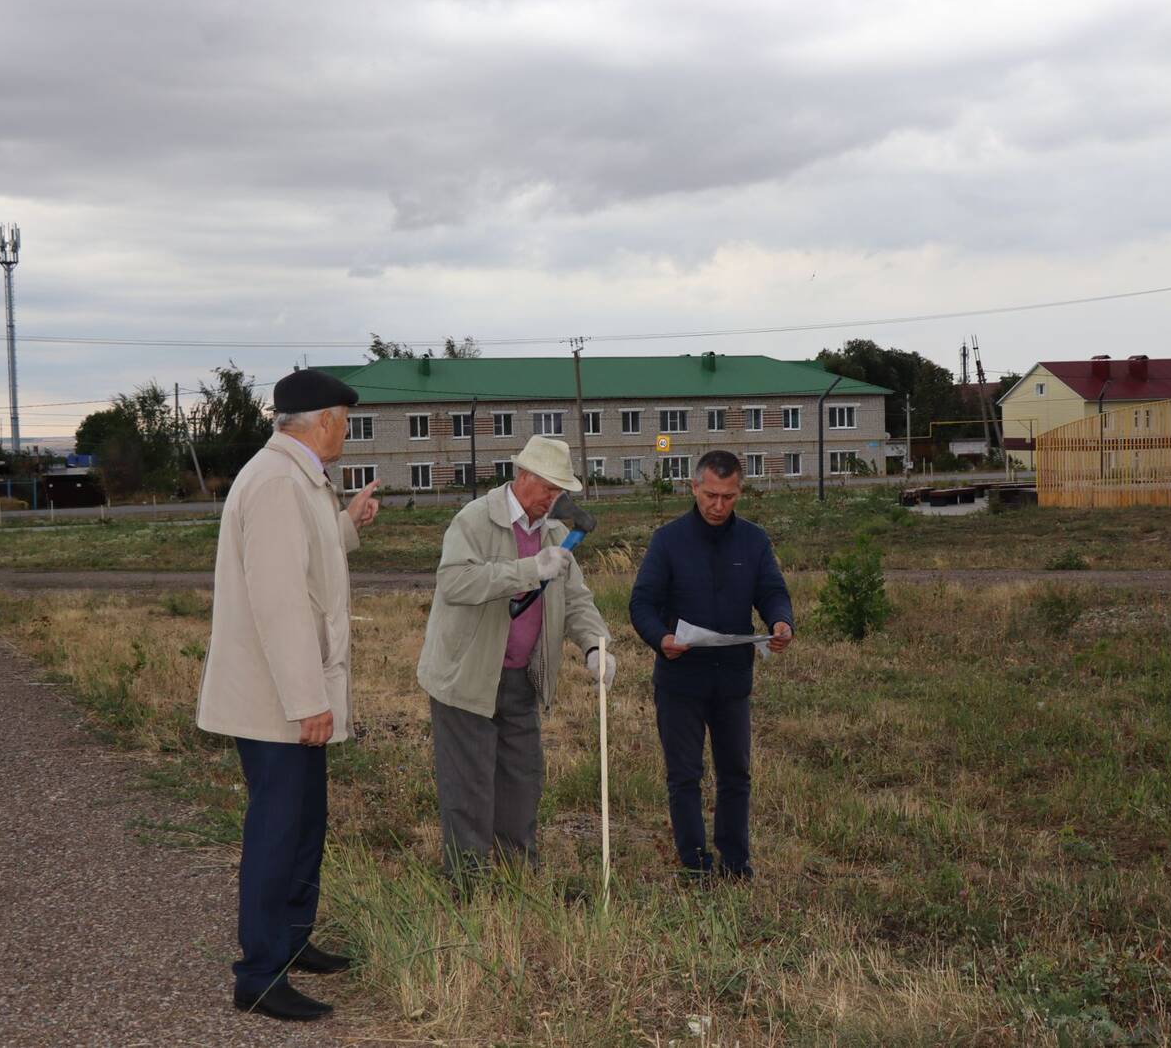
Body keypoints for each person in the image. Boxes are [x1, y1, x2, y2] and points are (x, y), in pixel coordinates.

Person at [196, 368, 381, 1022]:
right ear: (325, 421)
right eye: (346, 421)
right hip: (277, 702)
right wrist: (308, 699)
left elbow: (310, 560)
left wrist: (348, 522)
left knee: (305, 825)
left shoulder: (294, 478)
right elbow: (280, 604)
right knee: (279, 831)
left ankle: (293, 941)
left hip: (288, 699)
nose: (347, 433)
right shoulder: (277, 483)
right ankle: (260, 973)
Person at [417, 436, 616, 879]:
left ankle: (516, 878)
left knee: (521, 783)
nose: (553, 499)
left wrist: (594, 646)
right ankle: (467, 884)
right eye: (548, 487)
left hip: (520, 679)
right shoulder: (473, 520)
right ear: (522, 476)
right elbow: (454, 583)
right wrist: (530, 570)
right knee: (468, 789)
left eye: (560, 491)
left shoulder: (555, 532)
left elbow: (577, 598)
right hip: (465, 678)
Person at [629, 449, 793, 882]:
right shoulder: (668, 540)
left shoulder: (754, 541)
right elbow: (642, 603)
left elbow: (773, 590)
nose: (719, 506)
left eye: (729, 497)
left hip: (733, 679)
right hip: (680, 680)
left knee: (736, 773)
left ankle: (736, 863)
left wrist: (781, 621)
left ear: (740, 492)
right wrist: (659, 638)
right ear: (694, 488)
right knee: (685, 775)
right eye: (711, 496)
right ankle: (694, 863)